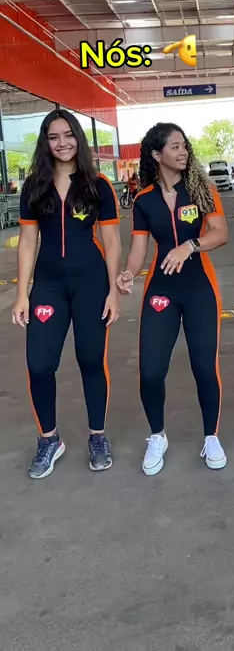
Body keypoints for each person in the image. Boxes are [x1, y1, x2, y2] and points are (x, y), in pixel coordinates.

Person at [12, 109, 121, 479]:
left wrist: (113, 292)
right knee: (39, 364)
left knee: (91, 360)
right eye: (54, 137)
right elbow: (28, 241)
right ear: (45, 143)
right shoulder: (34, 186)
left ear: (79, 137)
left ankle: (97, 436)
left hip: (91, 284)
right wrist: (22, 293)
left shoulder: (97, 185)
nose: (62, 143)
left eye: (68, 134)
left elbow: (111, 240)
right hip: (48, 286)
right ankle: (49, 440)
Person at [116, 122, 228, 475]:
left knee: (204, 367)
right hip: (160, 292)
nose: (183, 152)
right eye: (175, 146)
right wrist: (128, 273)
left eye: (184, 146)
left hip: (199, 288)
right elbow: (138, 249)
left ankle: (211, 436)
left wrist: (190, 245)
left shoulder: (202, 189)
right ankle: (157, 435)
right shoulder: (144, 199)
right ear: (156, 154)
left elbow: (220, 233)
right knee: (151, 371)